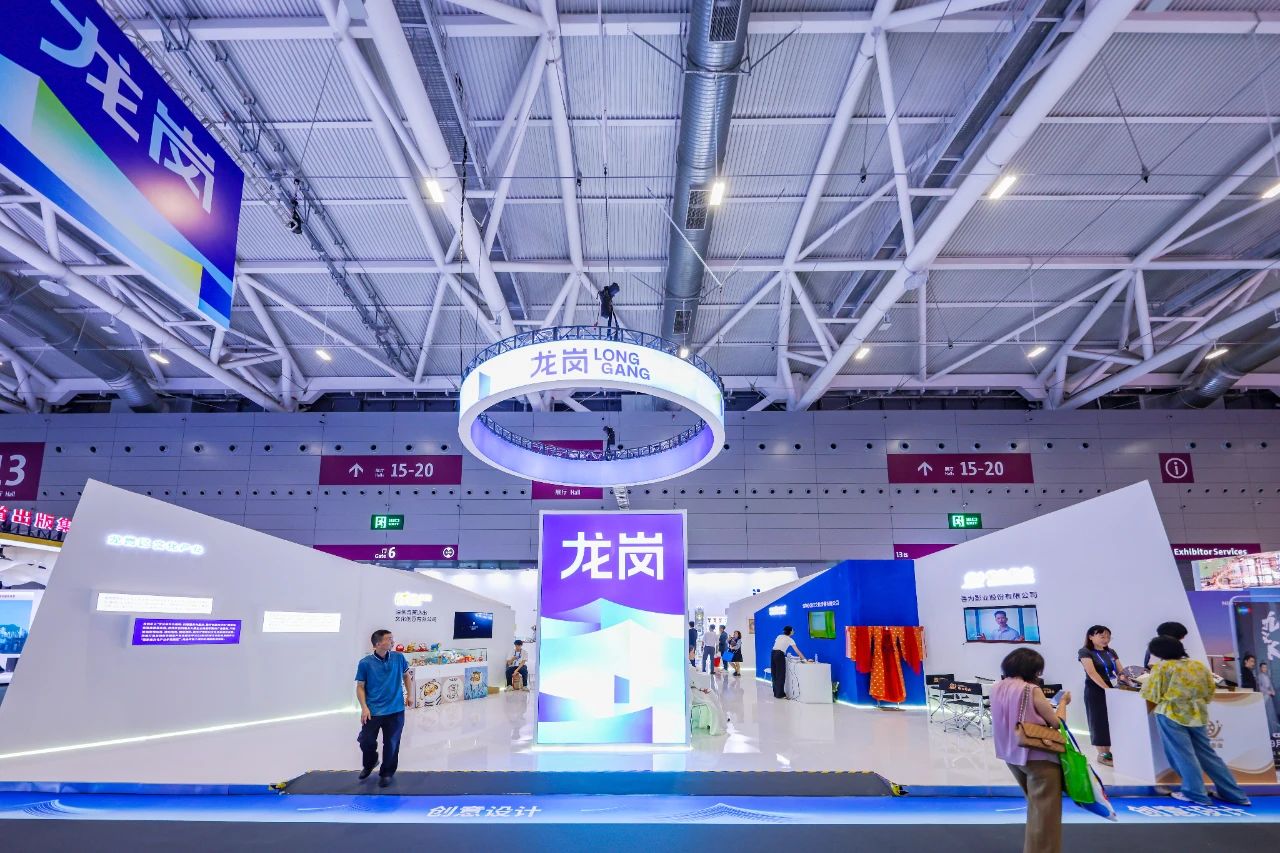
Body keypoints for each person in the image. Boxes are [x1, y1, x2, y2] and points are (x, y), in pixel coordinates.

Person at [1142, 635, 1251, 807]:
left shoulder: (1162, 668)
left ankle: (1196, 793)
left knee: (1183, 755)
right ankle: (1235, 794)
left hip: (1171, 714)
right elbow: (1210, 691)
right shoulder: (1198, 665)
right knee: (1209, 755)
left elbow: (1151, 694)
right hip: (1197, 714)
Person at [991, 648, 1071, 853]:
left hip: (1011, 755)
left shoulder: (996, 686)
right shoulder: (1030, 689)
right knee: (1046, 816)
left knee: (1036, 810)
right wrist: (1063, 702)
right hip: (1038, 756)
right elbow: (1057, 723)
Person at [355, 629, 411, 788]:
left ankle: (387, 773)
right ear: (378, 644)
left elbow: (406, 676)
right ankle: (370, 762)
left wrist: (410, 694)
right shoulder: (365, 663)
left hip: (396, 710)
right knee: (365, 740)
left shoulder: (399, 658)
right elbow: (360, 686)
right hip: (373, 711)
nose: (393, 641)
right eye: (389, 639)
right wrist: (364, 707)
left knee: (392, 743)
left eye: (392, 638)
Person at [1079, 624, 1123, 766]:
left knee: (1111, 721)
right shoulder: (1085, 651)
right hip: (1096, 690)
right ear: (1091, 637)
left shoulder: (1111, 652)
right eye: (1102, 636)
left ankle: (1109, 751)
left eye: (1108, 637)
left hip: (1113, 690)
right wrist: (1106, 689)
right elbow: (1092, 673)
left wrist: (1126, 680)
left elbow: (1120, 671)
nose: (1106, 640)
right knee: (1098, 721)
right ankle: (1102, 754)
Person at [771, 626, 807, 699]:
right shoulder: (790, 639)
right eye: (793, 630)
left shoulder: (779, 636)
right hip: (780, 654)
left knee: (774, 673)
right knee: (780, 674)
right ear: (790, 632)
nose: (793, 631)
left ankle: (776, 693)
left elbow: (778, 645)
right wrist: (805, 660)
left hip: (773, 653)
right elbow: (797, 651)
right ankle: (780, 694)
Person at [1258, 661, 1279, 731]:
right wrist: (1268, 692)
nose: (1265, 669)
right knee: (1267, 712)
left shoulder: (1267, 676)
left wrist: (1273, 691)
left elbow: (1270, 685)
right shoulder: (1259, 676)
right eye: (1263, 667)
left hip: (1269, 695)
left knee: (1271, 711)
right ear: (1260, 668)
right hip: (1264, 696)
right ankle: (1268, 728)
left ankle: (1273, 727)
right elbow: (1260, 687)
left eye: (1266, 667)